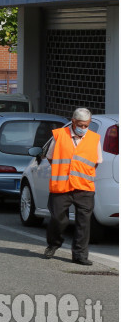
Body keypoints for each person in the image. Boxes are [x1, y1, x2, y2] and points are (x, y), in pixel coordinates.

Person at [44, 108, 103, 266]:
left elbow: (96, 162)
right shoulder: (59, 135)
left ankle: (80, 255)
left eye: (86, 125)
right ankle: (54, 243)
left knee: (84, 222)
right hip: (61, 186)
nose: (83, 128)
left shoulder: (94, 139)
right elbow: (50, 157)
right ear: (74, 121)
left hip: (84, 187)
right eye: (81, 125)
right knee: (57, 218)